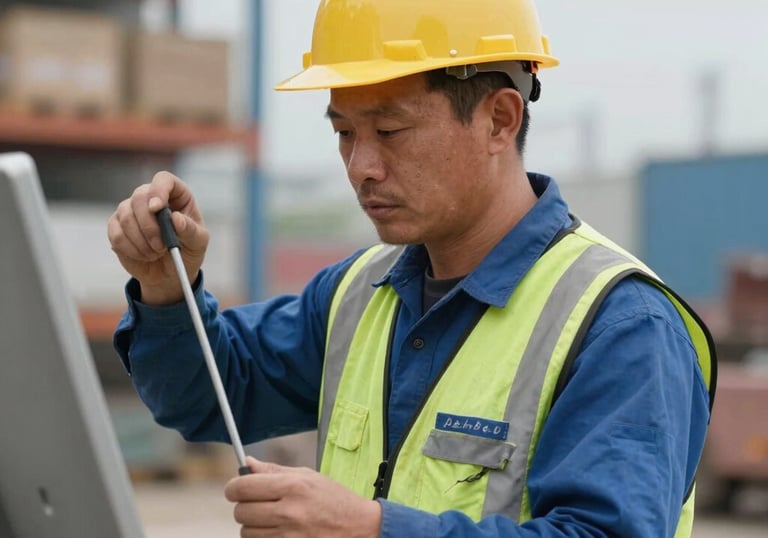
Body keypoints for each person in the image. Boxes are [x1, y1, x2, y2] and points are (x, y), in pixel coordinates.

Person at [107, 0, 716, 536]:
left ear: (500, 120)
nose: (360, 166)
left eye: (391, 130)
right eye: (344, 131)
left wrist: (372, 530)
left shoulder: (622, 327)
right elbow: (207, 395)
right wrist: (168, 285)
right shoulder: (355, 294)